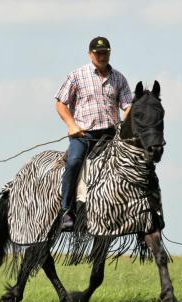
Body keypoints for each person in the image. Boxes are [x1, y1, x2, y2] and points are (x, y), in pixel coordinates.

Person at [54, 36, 132, 230]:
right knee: (73, 162)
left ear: (110, 53)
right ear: (90, 55)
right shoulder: (77, 75)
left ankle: (132, 210)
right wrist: (72, 126)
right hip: (84, 135)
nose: (102, 56)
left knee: (134, 161)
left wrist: (127, 121)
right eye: (98, 53)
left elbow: (127, 106)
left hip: (111, 135)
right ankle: (67, 211)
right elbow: (60, 103)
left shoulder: (119, 78)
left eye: (105, 52)